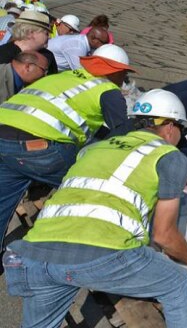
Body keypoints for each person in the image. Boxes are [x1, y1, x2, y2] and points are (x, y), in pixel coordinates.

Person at [3, 89, 187, 327]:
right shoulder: (169, 156)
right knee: (175, 282)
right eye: (181, 130)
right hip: (98, 257)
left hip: (33, 256)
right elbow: (164, 235)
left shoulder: (92, 149)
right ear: (170, 126)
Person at [0, 44, 135, 251]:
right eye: (124, 74)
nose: (123, 79)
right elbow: (122, 132)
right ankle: (77, 250)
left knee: (3, 200)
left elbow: (62, 113)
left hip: (4, 137)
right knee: (88, 188)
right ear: (115, 71)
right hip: (40, 148)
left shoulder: (58, 78)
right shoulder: (107, 90)